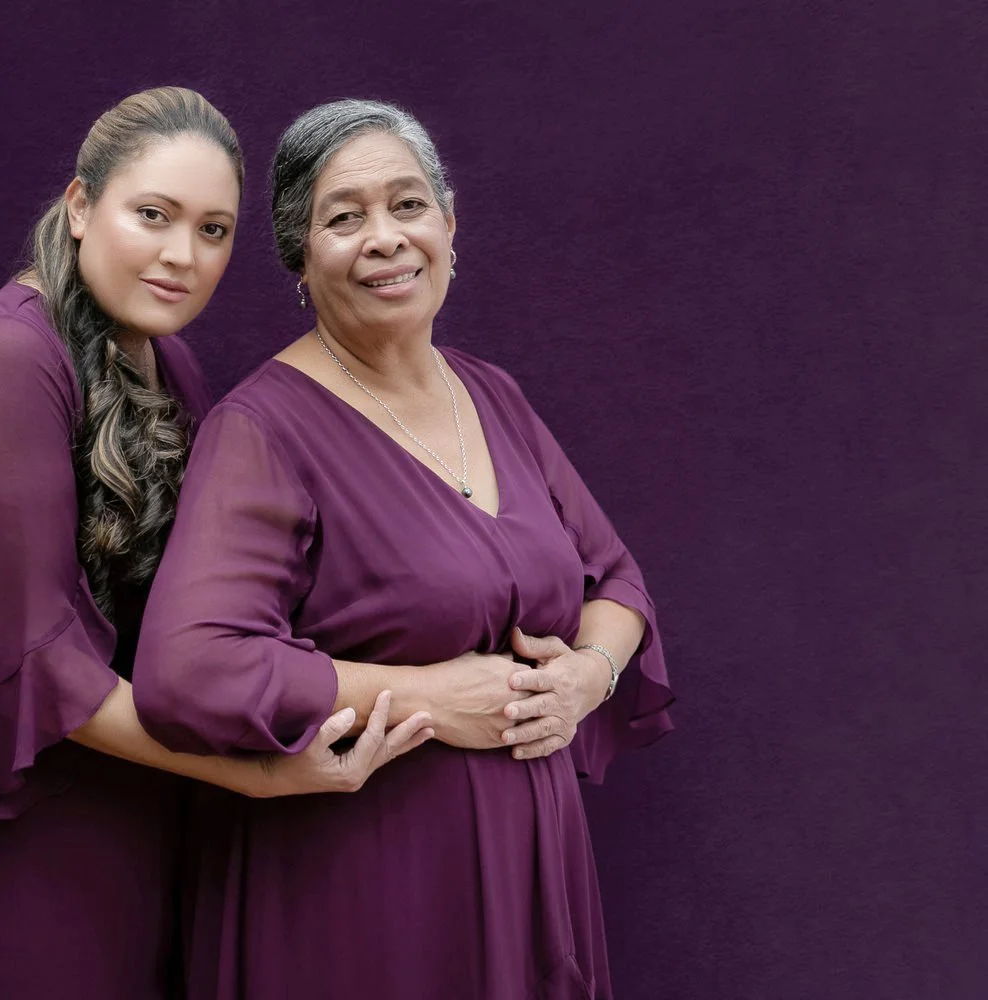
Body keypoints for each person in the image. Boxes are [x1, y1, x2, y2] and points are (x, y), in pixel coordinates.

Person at [0, 88, 434, 1000]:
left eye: (214, 231)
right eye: (153, 216)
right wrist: (259, 776)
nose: (182, 256)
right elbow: (36, 665)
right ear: (78, 206)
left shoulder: (163, 358)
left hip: (125, 800)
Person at [134, 99, 676, 999]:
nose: (385, 239)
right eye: (344, 218)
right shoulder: (262, 430)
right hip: (360, 891)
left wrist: (588, 678)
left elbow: (614, 581)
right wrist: (430, 696)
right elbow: (188, 669)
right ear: (300, 259)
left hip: (529, 874)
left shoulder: (492, 395)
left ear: (450, 227)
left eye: (409, 205)